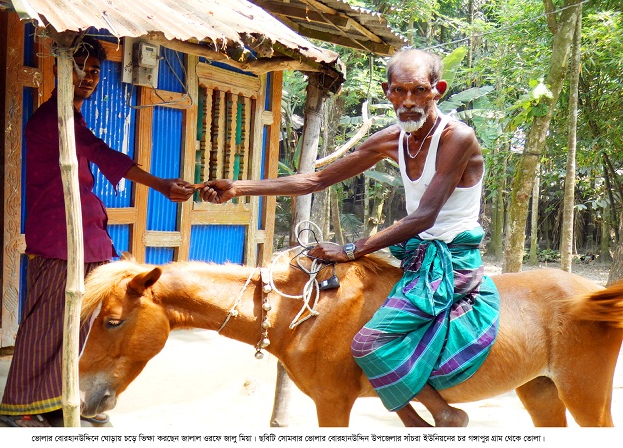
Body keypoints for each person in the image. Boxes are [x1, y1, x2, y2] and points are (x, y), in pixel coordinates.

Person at [199, 48, 500, 427]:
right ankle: (416, 422)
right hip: (416, 253)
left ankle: (442, 413)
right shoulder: (391, 138)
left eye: (419, 91)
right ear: (388, 92)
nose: (408, 101)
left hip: (451, 257)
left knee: (369, 341)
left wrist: (351, 249)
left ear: (437, 90)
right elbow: (316, 179)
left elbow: (425, 215)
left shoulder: (457, 138)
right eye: (399, 91)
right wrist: (239, 187)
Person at [0, 36, 195, 427]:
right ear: (61, 69)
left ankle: (58, 399)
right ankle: (21, 405)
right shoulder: (52, 118)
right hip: (59, 239)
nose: (88, 78)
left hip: (86, 238)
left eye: (94, 72)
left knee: (83, 324)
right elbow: (101, 151)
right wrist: (159, 184)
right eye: (80, 69)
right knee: (48, 323)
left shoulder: (73, 117)